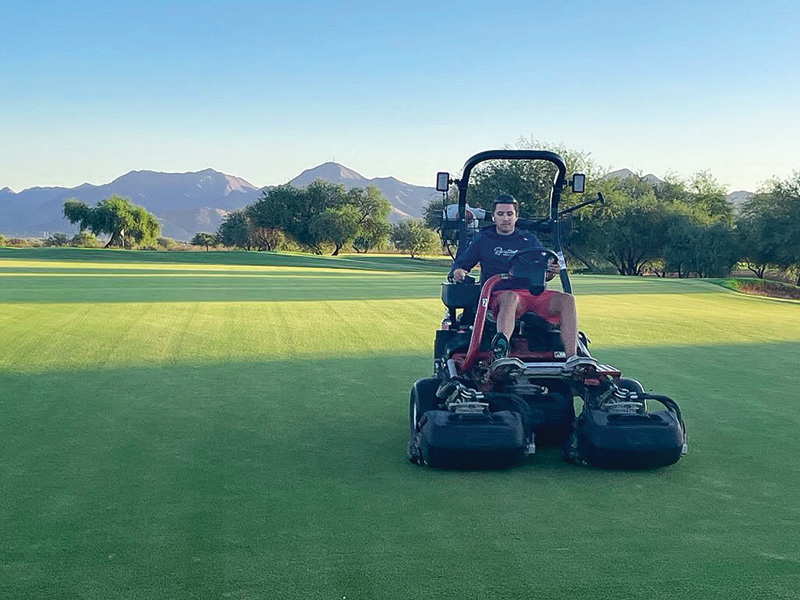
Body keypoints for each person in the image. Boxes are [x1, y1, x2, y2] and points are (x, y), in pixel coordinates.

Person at [449, 194, 595, 371]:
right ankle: (500, 353)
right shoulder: (483, 240)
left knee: (567, 299)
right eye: (501, 214)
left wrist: (550, 271)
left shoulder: (529, 241)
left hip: (533, 294)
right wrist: (458, 271)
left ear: (516, 216)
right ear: (494, 217)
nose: (505, 218)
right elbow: (461, 265)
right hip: (499, 295)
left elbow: (543, 272)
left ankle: (572, 357)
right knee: (510, 297)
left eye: (509, 214)